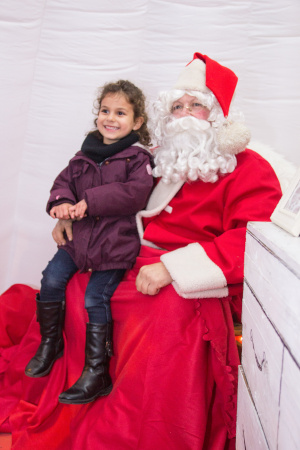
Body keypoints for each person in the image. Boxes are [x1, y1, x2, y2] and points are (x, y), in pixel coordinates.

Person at [0, 53, 282, 449]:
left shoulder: (250, 168)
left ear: (218, 115)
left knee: (165, 313)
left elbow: (254, 239)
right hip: (133, 253)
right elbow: (113, 199)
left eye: (196, 105)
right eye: (177, 106)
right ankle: (89, 383)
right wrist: (69, 218)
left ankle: (140, 425)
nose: (185, 114)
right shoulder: (159, 160)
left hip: (196, 275)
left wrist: (173, 268)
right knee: (76, 286)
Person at [24, 79, 154, 405]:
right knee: (51, 279)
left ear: (137, 122)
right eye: (105, 110)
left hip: (113, 245)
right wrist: (61, 204)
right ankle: (49, 342)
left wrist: (91, 201)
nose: (110, 118)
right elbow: (63, 183)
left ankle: (97, 372)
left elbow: (135, 194)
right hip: (79, 241)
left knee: (96, 298)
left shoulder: (137, 159)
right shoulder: (84, 154)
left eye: (120, 113)